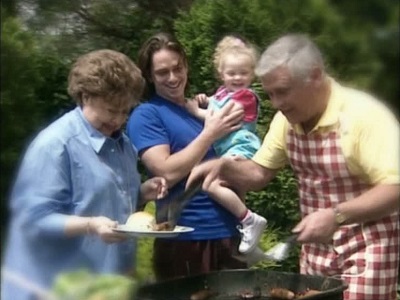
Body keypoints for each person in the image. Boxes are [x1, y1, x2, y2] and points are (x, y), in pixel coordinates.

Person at [187, 33, 400, 300]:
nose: (276, 104)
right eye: (271, 94)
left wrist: (336, 216)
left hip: (368, 253)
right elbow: (258, 173)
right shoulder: (285, 121)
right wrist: (223, 167)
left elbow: (395, 189)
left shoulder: (364, 116)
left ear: (315, 75)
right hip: (315, 252)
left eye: (283, 91)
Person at [1, 49, 168, 300]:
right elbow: (31, 219)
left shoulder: (123, 146)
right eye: (112, 110)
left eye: (125, 111)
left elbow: (106, 202)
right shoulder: (55, 145)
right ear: (85, 96)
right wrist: (89, 226)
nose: (119, 120)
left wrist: (141, 192)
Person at [126, 32, 247, 282]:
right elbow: (166, 171)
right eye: (162, 72)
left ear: (185, 65)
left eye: (177, 68)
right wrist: (210, 133)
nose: (173, 78)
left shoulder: (201, 110)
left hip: (230, 233)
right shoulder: (147, 115)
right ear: (149, 75)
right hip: (185, 240)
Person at [186, 35, 266, 254]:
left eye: (243, 73)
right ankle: (247, 235)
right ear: (221, 74)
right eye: (231, 73)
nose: (238, 78)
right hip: (230, 149)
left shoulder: (247, 97)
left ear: (252, 74)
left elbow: (220, 117)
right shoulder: (223, 93)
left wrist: (194, 110)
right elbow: (215, 102)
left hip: (242, 147)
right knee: (232, 189)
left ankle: (249, 220)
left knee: (210, 185)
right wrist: (205, 99)